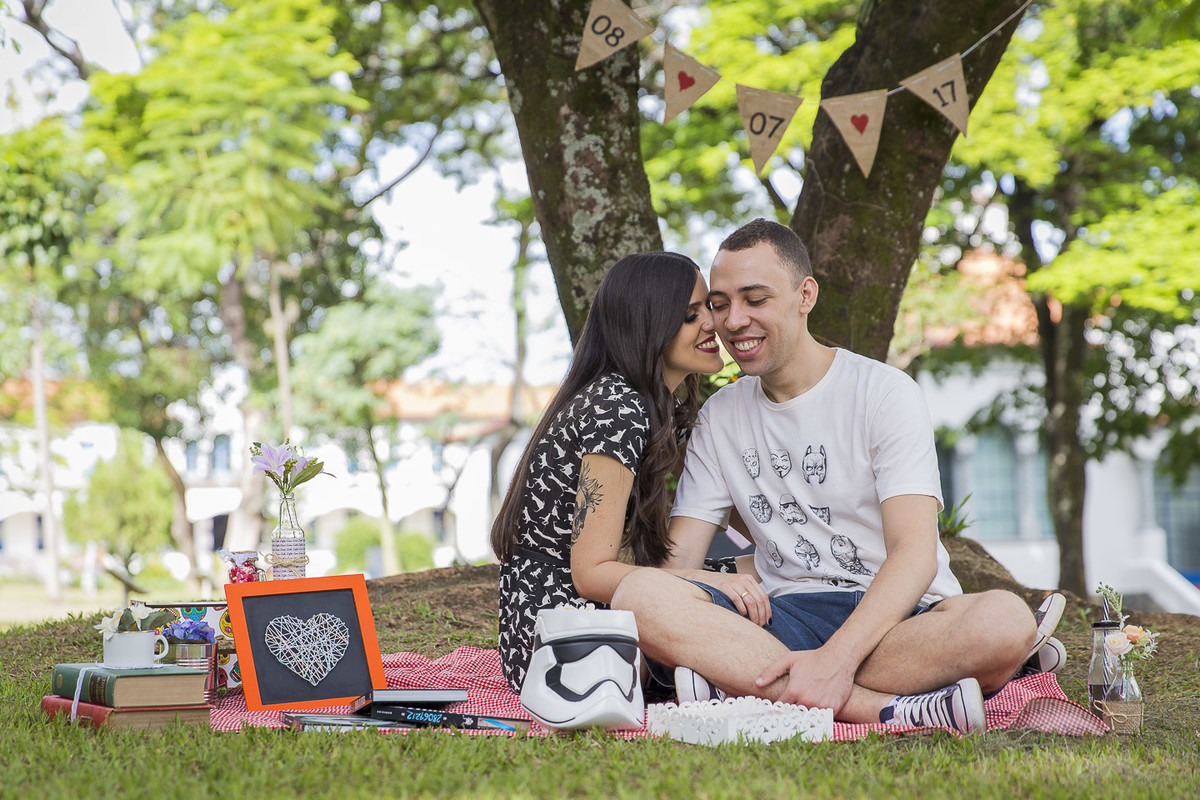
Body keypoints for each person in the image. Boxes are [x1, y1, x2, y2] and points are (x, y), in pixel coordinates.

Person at [611, 219, 1062, 734]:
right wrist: (705, 583)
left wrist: (837, 659)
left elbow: (915, 553)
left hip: (897, 617)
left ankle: (737, 679)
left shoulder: (885, 392)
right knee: (638, 597)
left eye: (755, 299)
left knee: (1002, 623)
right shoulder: (720, 416)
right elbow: (679, 562)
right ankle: (889, 707)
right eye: (720, 303)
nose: (734, 321)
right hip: (782, 616)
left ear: (806, 295)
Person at [492, 251, 725, 692]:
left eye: (709, 307)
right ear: (649, 324)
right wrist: (704, 583)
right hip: (562, 643)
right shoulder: (618, 408)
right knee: (733, 589)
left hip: (555, 628)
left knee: (755, 573)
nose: (711, 324)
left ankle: (695, 672)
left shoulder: (640, 401)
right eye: (691, 315)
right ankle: (697, 675)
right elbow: (591, 573)